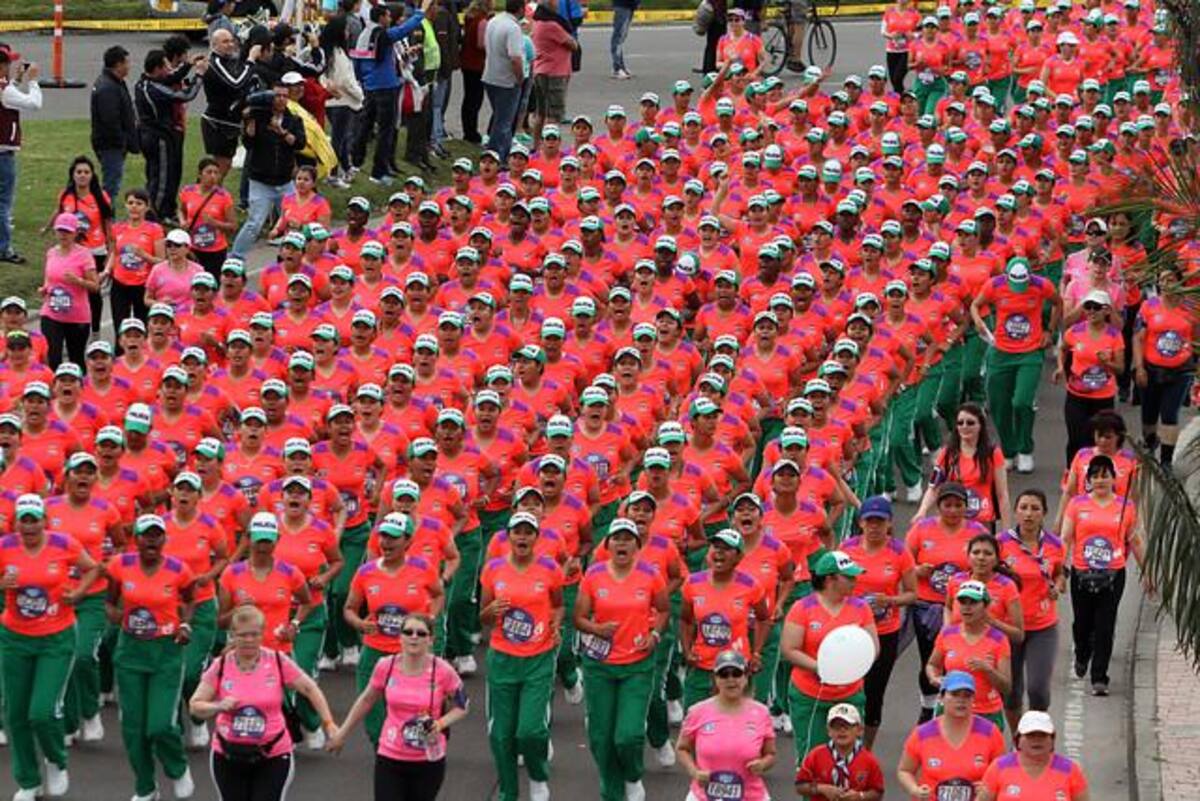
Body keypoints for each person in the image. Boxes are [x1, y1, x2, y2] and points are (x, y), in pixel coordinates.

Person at [0, 494, 101, 801]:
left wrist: (79, 593)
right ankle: (29, 782)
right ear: (16, 523)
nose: (30, 526)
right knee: (16, 714)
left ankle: (56, 760)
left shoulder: (63, 544)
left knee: (42, 712)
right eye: (24, 520)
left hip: (55, 638)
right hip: (15, 639)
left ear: (45, 521)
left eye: (35, 519)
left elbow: (93, 568)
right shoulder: (5, 547)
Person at [190, 604, 338, 801]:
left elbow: (310, 689)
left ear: (262, 634)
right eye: (243, 635)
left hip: (273, 753)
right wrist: (218, 706)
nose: (249, 640)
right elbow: (195, 705)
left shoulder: (277, 661)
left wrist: (329, 723)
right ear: (232, 636)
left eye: (254, 634)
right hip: (228, 754)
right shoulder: (221, 665)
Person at [574, 517, 669, 801]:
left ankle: (632, 774)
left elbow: (663, 609)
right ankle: (612, 791)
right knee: (601, 737)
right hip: (599, 666)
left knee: (628, 735)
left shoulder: (650, 575)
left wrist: (654, 635)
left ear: (637, 546)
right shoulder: (594, 575)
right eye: (617, 538)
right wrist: (597, 629)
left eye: (628, 539)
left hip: (636, 665)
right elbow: (579, 617)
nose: (622, 543)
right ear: (608, 544)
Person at [105, 513, 198, 801]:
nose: (152, 541)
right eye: (146, 535)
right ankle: (145, 787)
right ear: (136, 539)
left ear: (164, 540)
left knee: (159, 725)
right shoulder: (120, 565)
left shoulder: (179, 570)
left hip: (165, 653)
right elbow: (109, 601)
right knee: (133, 728)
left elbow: (190, 600)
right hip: (131, 652)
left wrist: (185, 625)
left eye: (157, 535)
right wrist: (115, 615)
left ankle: (177, 767)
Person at [330, 611, 469, 801]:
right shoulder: (385, 666)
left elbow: (463, 705)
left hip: (427, 760)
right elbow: (366, 700)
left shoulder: (442, 670)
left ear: (430, 640)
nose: (414, 637)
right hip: (390, 754)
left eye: (421, 633)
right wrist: (342, 733)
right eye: (408, 632)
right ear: (400, 637)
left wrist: (440, 724)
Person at [478, 511, 564, 801]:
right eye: (518, 532)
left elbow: (558, 605)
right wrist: (491, 612)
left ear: (536, 537)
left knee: (529, 730)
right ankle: (508, 792)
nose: (522, 537)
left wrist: (555, 625)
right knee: (501, 734)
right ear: (509, 536)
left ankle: (538, 776)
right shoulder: (493, 569)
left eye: (528, 532)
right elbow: (483, 617)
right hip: (503, 658)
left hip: (538, 658)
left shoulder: (550, 568)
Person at [344, 512, 443, 747]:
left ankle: (414, 754)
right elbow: (349, 608)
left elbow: (438, 594)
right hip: (375, 653)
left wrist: (429, 618)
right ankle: (383, 752)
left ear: (408, 541)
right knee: (374, 719)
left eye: (393, 538)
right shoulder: (366, 572)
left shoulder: (423, 568)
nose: (386, 543)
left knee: (414, 713)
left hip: (412, 654)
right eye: (383, 537)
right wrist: (359, 624)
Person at [780, 549, 878, 761]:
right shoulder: (802, 608)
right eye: (848, 577)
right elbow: (789, 649)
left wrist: (850, 667)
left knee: (849, 758)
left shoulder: (861, 608)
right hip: (810, 695)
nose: (854, 581)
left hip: (849, 694)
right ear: (830, 579)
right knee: (812, 757)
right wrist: (821, 668)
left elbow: (873, 647)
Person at [1062, 454, 1146, 696]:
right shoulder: (1077, 504)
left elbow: (1135, 540)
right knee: (1082, 623)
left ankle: (1100, 677)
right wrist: (1059, 569)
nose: (1100, 480)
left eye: (1105, 475)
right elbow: (1065, 539)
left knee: (1105, 626)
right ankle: (1082, 654)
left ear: (1113, 479)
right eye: (1095, 476)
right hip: (1081, 573)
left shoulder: (1126, 507)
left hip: (1113, 575)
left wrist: (1147, 571)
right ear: (1088, 480)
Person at [906, 481, 990, 722]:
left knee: (960, 659)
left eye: (958, 505)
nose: (952, 510)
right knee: (931, 658)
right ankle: (928, 706)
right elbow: (905, 562)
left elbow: (990, 561)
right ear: (938, 506)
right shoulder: (922, 529)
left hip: (965, 606)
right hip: (927, 605)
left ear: (966, 506)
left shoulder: (977, 531)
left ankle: (961, 706)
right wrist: (917, 570)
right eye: (947, 505)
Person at [971, 257, 1062, 475]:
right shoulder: (995, 285)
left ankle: (1025, 449)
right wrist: (978, 321)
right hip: (1001, 351)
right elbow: (975, 304)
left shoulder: (1041, 285)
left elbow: (1058, 303)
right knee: (998, 404)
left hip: (1030, 352)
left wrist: (1050, 331)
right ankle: (1009, 451)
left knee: (1022, 401)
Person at [841, 496, 917, 748]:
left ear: (889, 524)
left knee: (874, 693)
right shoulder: (847, 549)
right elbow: (834, 587)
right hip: (851, 632)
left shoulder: (899, 552)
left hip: (884, 633)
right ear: (861, 523)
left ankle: (866, 749)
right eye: (869, 521)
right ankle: (844, 743)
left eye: (880, 522)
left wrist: (891, 601)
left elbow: (912, 593)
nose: (874, 527)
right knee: (847, 689)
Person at [679, 527, 769, 712]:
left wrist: (756, 653)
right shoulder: (693, 583)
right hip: (702, 666)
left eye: (726, 549)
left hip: (734, 670)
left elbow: (764, 619)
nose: (719, 552)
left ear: (738, 557)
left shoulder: (750, 586)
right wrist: (687, 651)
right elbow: (686, 620)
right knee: (694, 720)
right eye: (715, 547)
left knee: (734, 722)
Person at [999, 489, 1065, 733]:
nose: (1028, 514)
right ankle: (1019, 739)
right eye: (1023, 507)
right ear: (1016, 512)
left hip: (1042, 626)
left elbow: (1060, 573)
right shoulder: (1001, 543)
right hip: (1008, 626)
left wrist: (1057, 586)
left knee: (1038, 690)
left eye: (1035, 508)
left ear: (1044, 513)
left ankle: (1037, 735)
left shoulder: (1055, 544)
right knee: (1011, 691)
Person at [676, 649, 776, 801]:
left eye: (736, 674)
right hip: (703, 796)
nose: (731, 679)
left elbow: (771, 754)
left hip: (751, 796)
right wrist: (694, 771)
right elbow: (682, 748)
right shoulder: (697, 712)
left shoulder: (761, 713)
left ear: (746, 677)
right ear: (715, 679)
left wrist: (762, 764)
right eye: (724, 674)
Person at [353, 0, 432, 186]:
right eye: (388, 16)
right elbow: (404, 30)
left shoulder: (364, 34)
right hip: (386, 87)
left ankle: (355, 162)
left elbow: (357, 61)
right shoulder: (383, 34)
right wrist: (421, 12)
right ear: (381, 18)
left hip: (370, 86)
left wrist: (363, 80)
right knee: (385, 131)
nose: (390, 19)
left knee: (365, 126)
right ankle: (378, 173)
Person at [897, 671, 1006, 799]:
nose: (961, 701)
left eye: (967, 696)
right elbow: (905, 770)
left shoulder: (990, 732)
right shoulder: (922, 734)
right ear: (941, 698)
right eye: (954, 694)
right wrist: (914, 789)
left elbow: (1003, 774)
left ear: (973, 699)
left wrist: (988, 788)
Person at [230, 80, 306, 258]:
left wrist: (282, 131)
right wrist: (249, 126)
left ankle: (297, 257)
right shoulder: (259, 117)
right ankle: (236, 258)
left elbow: (300, 143)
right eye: (276, 95)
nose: (281, 99)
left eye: (284, 96)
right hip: (261, 181)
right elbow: (248, 144)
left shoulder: (294, 120)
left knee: (294, 222)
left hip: (285, 182)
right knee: (254, 223)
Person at [1133, 267, 1200, 467]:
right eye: (1161, 280)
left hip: (1180, 370)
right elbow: (1138, 338)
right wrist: (1139, 367)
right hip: (1151, 368)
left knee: (1170, 415)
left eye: (1170, 279)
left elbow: (1197, 338)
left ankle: (1166, 461)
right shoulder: (1148, 306)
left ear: (1179, 281)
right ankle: (1149, 444)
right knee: (1149, 415)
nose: (1165, 283)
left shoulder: (1191, 307)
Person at [927, 580, 1013, 730]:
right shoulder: (947, 634)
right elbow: (932, 664)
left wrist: (989, 670)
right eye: (962, 602)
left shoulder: (998, 639)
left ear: (985, 606)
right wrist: (934, 677)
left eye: (973, 602)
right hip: (950, 711)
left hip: (986, 713)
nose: (967, 607)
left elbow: (1006, 687)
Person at [134, 48, 207, 221]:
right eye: (166, 67)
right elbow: (186, 95)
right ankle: (156, 214)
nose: (169, 70)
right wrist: (199, 75)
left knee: (158, 174)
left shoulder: (144, 82)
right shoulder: (154, 89)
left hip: (150, 135)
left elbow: (170, 78)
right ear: (157, 69)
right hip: (158, 137)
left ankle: (163, 209)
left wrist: (188, 64)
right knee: (163, 177)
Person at [916, 402, 1011, 532]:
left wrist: (1006, 532)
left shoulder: (993, 453)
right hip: (954, 521)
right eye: (960, 423)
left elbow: (1002, 495)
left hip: (983, 523)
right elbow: (933, 488)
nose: (964, 426)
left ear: (981, 426)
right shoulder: (948, 454)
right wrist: (922, 510)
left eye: (970, 423)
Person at [1055, 289, 1124, 465]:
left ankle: (1096, 474)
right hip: (1077, 394)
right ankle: (1072, 473)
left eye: (1096, 307)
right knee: (1076, 439)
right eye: (1088, 306)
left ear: (1106, 310)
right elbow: (1063, 349)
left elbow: (1120, 369)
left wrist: (1107, 363)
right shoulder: (1075, 331)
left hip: (1103, 397)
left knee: (1099, 442)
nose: (1091, 311)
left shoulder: (1114, 335)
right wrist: (1061, 367)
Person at [52, 155, 113, 335]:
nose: (82, 175)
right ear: (73, 175)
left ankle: (95, 331)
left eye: (86, 172)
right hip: (71, 251)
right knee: (71, 288)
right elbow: (59, 216)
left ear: (92, 175)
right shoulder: (66, 196)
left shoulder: (101, 196)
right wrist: (48, 229)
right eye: (79, 172)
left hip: (95, 250)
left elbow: (108, 225)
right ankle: (72, 327)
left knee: (93, 292)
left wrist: (110, 253)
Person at [979, 711, 1091, 801]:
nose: (1037, 740)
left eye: (1043, 735)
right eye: (1030, 735)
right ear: (1018, 739)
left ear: (1052, 739)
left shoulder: (1070, 770)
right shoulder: (999, 768)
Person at [39, 212, 100, 370]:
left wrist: (78, 281)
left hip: (76, 317)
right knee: (53, 357)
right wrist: (44, 289)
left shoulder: (84, 255)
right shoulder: (51, 252)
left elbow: (95, 286)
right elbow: (49, 278)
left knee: (76, 360)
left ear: (75, 233)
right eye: (60, 230)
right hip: (51, 313)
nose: (63, 235)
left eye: (67, 231)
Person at [0, 45, 41, 265]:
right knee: (3, 203)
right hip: (3, 153)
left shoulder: (6, 88)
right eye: (8, 63)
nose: (10, 66)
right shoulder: (4, 90)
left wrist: (16, 80)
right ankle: (3, 248)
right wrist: (33, 81)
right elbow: (34, 103)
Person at [201, 27, 259, 182]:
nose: (230, 44)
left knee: (224, 166)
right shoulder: (216, 62)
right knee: (220, 166)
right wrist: (251, 60)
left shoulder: (229, 60)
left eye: (231, 41)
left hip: (230, 121)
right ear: (214, 45)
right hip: (217, 122)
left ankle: (212, 193)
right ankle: (203, 194)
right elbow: (236, 83)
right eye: (225, 42)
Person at [794, 704, 885, 801]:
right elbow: (799, 785)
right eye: (836, 727)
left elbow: (878, 792)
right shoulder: (816, 755)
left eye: (847, 726)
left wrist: (860, 796)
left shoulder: (869, 760)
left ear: (859, 730)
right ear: (829, 731)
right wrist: (821, 789)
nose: (842, 730)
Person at [319, 14, 363, 188]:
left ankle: (346, 168)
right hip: (343, 102)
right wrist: (360, 94)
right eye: (345, 29)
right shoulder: (338, 54)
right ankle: (332, 174)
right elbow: (346, 81)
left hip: (332, 102)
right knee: (338, 140)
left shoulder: (328, 52)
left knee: (341, 138)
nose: (348, 33)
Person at [90, 45, 139, 202]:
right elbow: (110, 120)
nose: (129, 66)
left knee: (112, 183)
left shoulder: (113, 83)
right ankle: (105, 214)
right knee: (111, 186)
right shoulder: (108, 88)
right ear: (118, 64)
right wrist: (123, 141)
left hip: (112, 143)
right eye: (127, 62)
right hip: (110, 145)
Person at [178, 156, 238, 279]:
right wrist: (182, 221)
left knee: (212, 283)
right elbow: (181, 210)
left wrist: (214, 223)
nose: (213, 176)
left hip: (215, 250)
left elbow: (233, 226)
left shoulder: (224, 197)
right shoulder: (188, 191)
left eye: (216, 173)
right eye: (209, 172)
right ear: (200, 175)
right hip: (193, 248)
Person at [482, 0, 527, 162]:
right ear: (521, 9)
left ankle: (504, 153)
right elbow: (515, 58)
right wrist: (520, 78)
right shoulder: (513, 28)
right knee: (504, 123)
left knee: (500, 118)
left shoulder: (494, 21)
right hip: (506, 80)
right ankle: (496, 156)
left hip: (490, 76)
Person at [531, 0, 579, 146]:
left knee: (540, 113)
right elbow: (573, 44)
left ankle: (536, 145)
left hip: (540, 70)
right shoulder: (552, 26)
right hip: (555, 72)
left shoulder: (538, 23)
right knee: (554, 115)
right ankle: (550, 146)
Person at [459, 0, 493, 145]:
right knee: (475, 99)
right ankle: (471, 132)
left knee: (469, 98)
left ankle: (468, 129)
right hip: (476, 64)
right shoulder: (481, 22)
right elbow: (481, 44)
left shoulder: (470, 19)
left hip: (467, 62)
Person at [145, 229, 204, 309]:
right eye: (168, 245)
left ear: (187, 248)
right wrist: (160, 304)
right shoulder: (157, 270)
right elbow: (147, 299)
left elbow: (204, 298)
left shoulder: (198, 271)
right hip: (165, 314)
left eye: (177, 245)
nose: (172, 249)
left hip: (189, 314)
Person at [610, 0, 639, 80]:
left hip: (630, 5)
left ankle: (621, 67)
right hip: (622, 5)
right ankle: (617, 68)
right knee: (618, 37)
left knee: (622, 37)